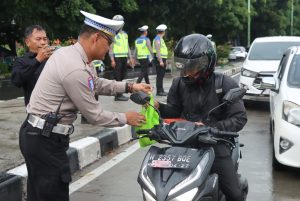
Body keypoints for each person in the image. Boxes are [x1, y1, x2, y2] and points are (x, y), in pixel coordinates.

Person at [20, 10, 152, 201]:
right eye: (109, 42)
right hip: (44, 140)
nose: (109, 48)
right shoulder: (75, 68)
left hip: (40, 135)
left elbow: (95, 83)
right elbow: (94, 115)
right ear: (96, 38)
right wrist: (126, 118)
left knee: (39, 194)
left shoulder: (75, 56)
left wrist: (130, 86)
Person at [155, 34, 247, 201]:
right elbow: (174, 111)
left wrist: (212, 128)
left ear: (207, 64)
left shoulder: (224, 83)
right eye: (184, 67)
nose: (186, 73)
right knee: (164, 186)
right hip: (183, 143)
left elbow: (239, 117)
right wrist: (157, 107)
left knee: (235, 194)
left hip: (215, 144)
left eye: (192, 68)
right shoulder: (179, 83)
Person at [11, 25, 54, 106]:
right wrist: (37, 60)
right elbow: (16, 81)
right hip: (35, 110)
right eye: (38, 39)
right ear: (27, 42)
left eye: (45, 39)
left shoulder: (53, 58)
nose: (43, 42)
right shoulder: (21, 61)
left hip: (57, 109)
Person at [109, 14, 134, 101]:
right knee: (118, 77)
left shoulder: (125, 34)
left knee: (123, 75)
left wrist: (130, 58)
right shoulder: (113, 34)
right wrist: (112, 59)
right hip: (117, 58)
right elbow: (111, 48)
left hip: (124, 58)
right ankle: (118, 95)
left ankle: (118, 93)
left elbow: (127, 47)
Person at [153, 24, 168, 96]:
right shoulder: (157, 39)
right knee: (159, 76)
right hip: (160, 59)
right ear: (163, 32)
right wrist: (161, 61)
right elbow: (158, 51)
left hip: (162, 59)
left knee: (161, 75)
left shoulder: (160, 39)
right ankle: (159, 91)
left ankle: (161, 90)